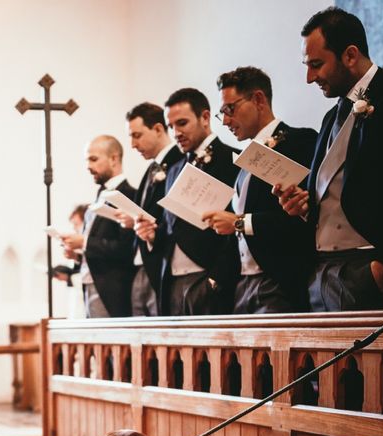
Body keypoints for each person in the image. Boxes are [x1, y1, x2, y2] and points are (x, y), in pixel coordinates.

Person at [278, 7, 383, 312]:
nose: (309, 78)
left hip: (368, 269)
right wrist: (304, 202)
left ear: (350, 55)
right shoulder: (329, 117)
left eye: (316, 65)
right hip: (320, 269)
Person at [202, 67, 318, 313]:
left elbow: (304, 217)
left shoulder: (301, 141)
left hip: (279, 280)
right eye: (221, 113)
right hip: (243, 284)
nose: (225, 121)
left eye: (229, 109)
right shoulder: (243, 162)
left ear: (258, 99)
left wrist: (238, 222)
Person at [135, 88, 239, 316]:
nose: (176, 132)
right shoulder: (173, 170)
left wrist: (216, 280)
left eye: (182, 123)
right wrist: (153, 234)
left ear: (205, 117)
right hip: (171, 280)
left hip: (209, 279)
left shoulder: (233, 159)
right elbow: (172, 228)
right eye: (171, 126)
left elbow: (235, 227)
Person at [60, 136, 136, 317]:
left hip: (111, 290)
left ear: (114, 159)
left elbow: (125, 248)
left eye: (93, 159)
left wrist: (85, 242)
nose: (88, 166)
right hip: (90, 284)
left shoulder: (129, 195)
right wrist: (78, 255)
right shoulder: (100, 194)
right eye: (87, 160)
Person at [124, 102, 182, 316]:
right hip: (146, 262)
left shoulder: (179, 160)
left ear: (158, 129)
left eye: (137, 135)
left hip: (166, 263)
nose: (132, 144)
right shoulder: (151, 168)